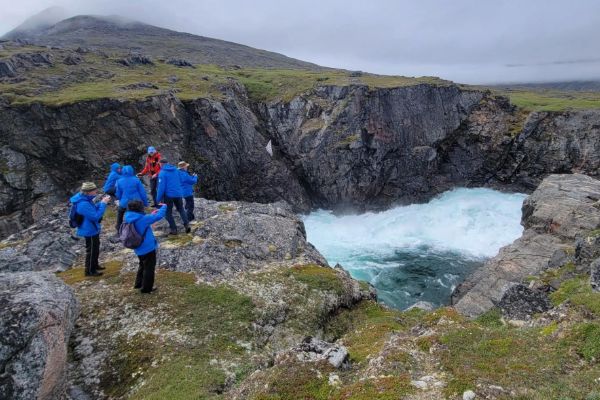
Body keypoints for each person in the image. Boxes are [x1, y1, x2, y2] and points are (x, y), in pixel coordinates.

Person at [123, 200, 167, 293]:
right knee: (149, 268)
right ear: (140, 208)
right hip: (148, 248)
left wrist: (151, 214)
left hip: (138, 247)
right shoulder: (143, 219)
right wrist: (164, 206)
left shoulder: (128, 216)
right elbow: (159, 216)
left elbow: (146, 219)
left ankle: (138, 284)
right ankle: (146, 289)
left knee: (142, 265)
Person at [69, 182, 110, 276]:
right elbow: (95, 216)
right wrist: (103, 204)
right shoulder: (83, 204)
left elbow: (93, 209)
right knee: (91, 251)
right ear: (88, 192)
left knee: (95, 248)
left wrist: (101, 202)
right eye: (94, 190)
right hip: (89, 230)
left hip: (92, 228)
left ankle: (94, 265)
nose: (96, 191)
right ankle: (90, 271)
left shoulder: (86, 199)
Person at [156, 159, 190, 235]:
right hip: (178, 194)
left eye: (159, 164)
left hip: (169, 196)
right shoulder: (176, 170)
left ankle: (174, 229)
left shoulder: (162, 173)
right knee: (181, 209)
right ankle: (187, 224)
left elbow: (161, 188)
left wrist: (157, 199)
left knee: (168, 213)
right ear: (168, 163)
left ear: (161, 164)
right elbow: (181, 180)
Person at [115, 165, 148, 233]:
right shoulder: (136, 180)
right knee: (141, 215)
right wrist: (145, 203)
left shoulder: (119, 181)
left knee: (120, 214)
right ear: (132, 171)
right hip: (137, 202)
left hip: (124, 203)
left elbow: (118, 194)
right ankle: (142, 230)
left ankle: (118, 230)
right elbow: (142, 192)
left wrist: (120, 200)